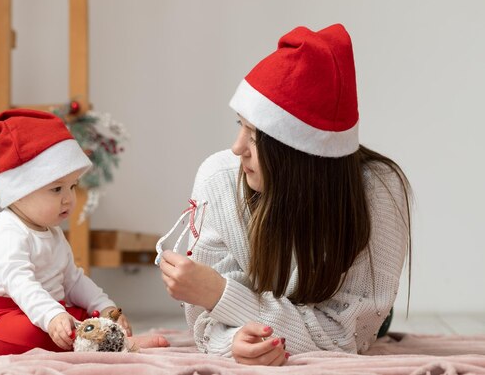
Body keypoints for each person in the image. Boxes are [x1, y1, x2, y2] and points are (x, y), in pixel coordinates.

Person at [159, 24, 411, 366]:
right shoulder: (217, 180)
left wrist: (220, 293)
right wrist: (233, 341)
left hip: (353, 309)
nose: (237, 149)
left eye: (256, 135)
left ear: (298, 154)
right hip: (265, 305)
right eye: (240, 125)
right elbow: (206, 322)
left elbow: (345, 336)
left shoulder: (379, 191)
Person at [0, 109, 167, 355]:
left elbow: (73, 280)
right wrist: (53, 315)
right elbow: (21, 283)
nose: (69, 199)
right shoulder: (8, 233)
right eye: (56, 189)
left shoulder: (52, 233)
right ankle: (108, 342)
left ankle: (104, 335)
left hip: (42, 311)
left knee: (83, 316)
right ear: (18, 193)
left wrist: (105, 307)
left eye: (73, 186)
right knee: (36, 332)